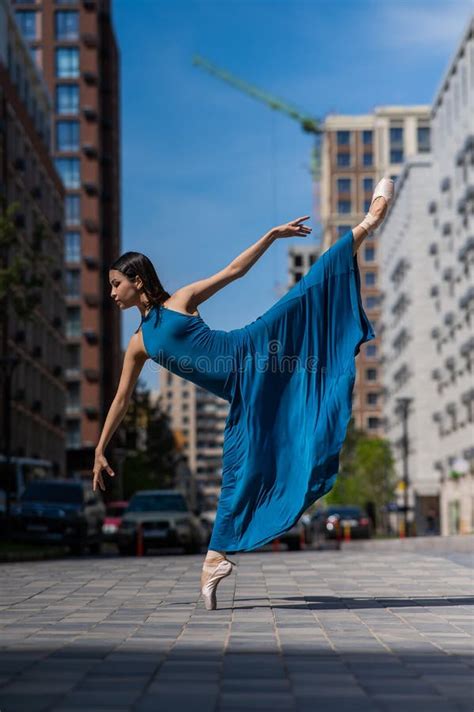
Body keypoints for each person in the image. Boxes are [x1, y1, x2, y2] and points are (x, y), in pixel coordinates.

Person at [92, 177, 394, 610]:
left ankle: (369, 221)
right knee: (239, 466)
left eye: (116, 284)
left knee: (305, 294)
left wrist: (271, 235)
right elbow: (121, 400)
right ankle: (216, 560)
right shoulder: (138, 344)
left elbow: (234, 271)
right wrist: (101, 446)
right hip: (243, 392)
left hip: (252, 349)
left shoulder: (181, 301)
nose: (111, 293)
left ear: (137, 281)